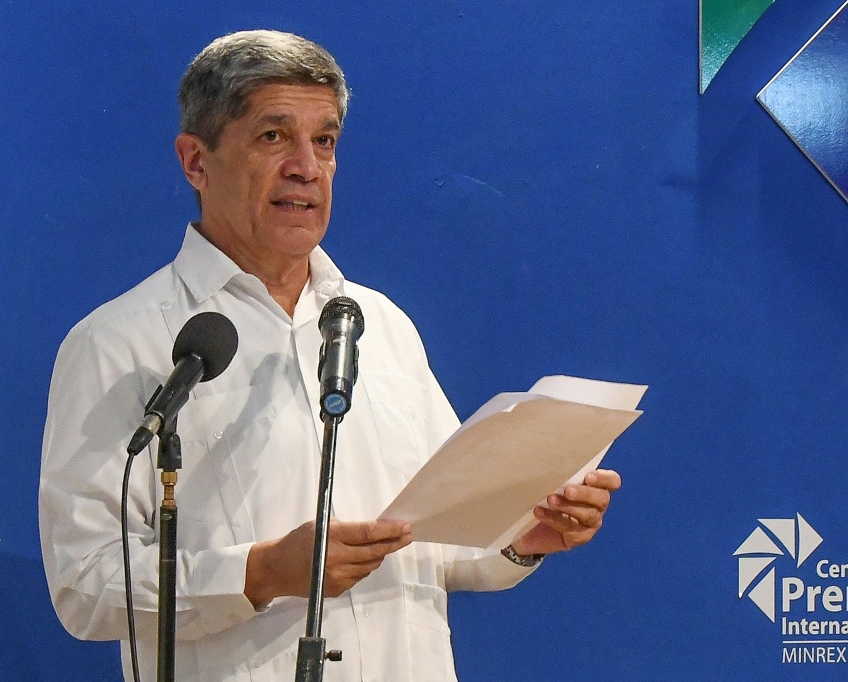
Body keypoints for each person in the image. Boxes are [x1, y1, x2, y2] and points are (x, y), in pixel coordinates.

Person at [39, 29, 621, 682]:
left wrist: (521, 537)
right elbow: (85, 584)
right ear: (196, 162)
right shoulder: (119, 343)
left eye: (324, 141)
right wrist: (258, 573)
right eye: (273, 137)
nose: (306, 168)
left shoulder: (382, 325)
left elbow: (438, 544)